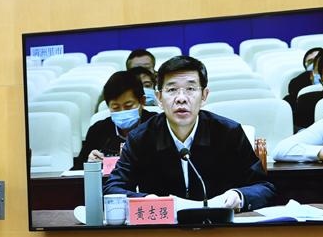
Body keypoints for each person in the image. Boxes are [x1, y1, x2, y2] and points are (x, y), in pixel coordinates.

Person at [103, 55, 275, 212]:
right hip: (163, 230)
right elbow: (112, 189)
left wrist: (240, 196)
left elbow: (264, 187)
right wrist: (146, 200)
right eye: (172, 90)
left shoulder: (228, 133)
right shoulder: (141, 138)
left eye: (191, 89)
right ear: (159, 98)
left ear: (204, 96)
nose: (181, 98)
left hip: (219, 227)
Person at [74, 69, 156, 169]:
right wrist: (89, 164)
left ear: (142, 101)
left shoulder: (157, 125)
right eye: (115, 107)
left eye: (128, 106)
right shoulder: (98, 130)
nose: (122, 111)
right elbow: (76, 170)